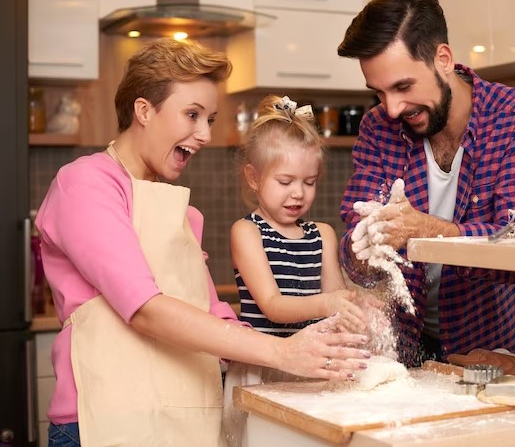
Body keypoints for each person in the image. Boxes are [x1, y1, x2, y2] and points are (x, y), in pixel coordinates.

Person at [35, 39, 371, 447]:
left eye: (210, 118)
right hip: (102, 419)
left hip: (179, 422)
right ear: (144, 110)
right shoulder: (85, 184)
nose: (206, 134)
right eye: (192, 115)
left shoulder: (181, 212)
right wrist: (280, 353)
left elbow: (213, 315)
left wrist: (303, 354)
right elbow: (144, 308)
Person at [336, 0, 515, 366]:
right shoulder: (377, 128)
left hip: (498, 353)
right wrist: (363, 247)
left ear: (443, 59)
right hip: (407, 353)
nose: (390, 109)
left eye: (403, 87)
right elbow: (354, 246)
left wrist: (424, 229)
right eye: (379, 93)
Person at [223, 95, 384, 445]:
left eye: (309, 182)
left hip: (311, 369)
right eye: (285, 182)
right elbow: (274, 306)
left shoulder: (322, 235)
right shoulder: (247, 231)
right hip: (262, 370)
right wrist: (329, 304)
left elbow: (334, 303)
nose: (298, 193)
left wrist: (360, 308)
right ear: (253, 177)